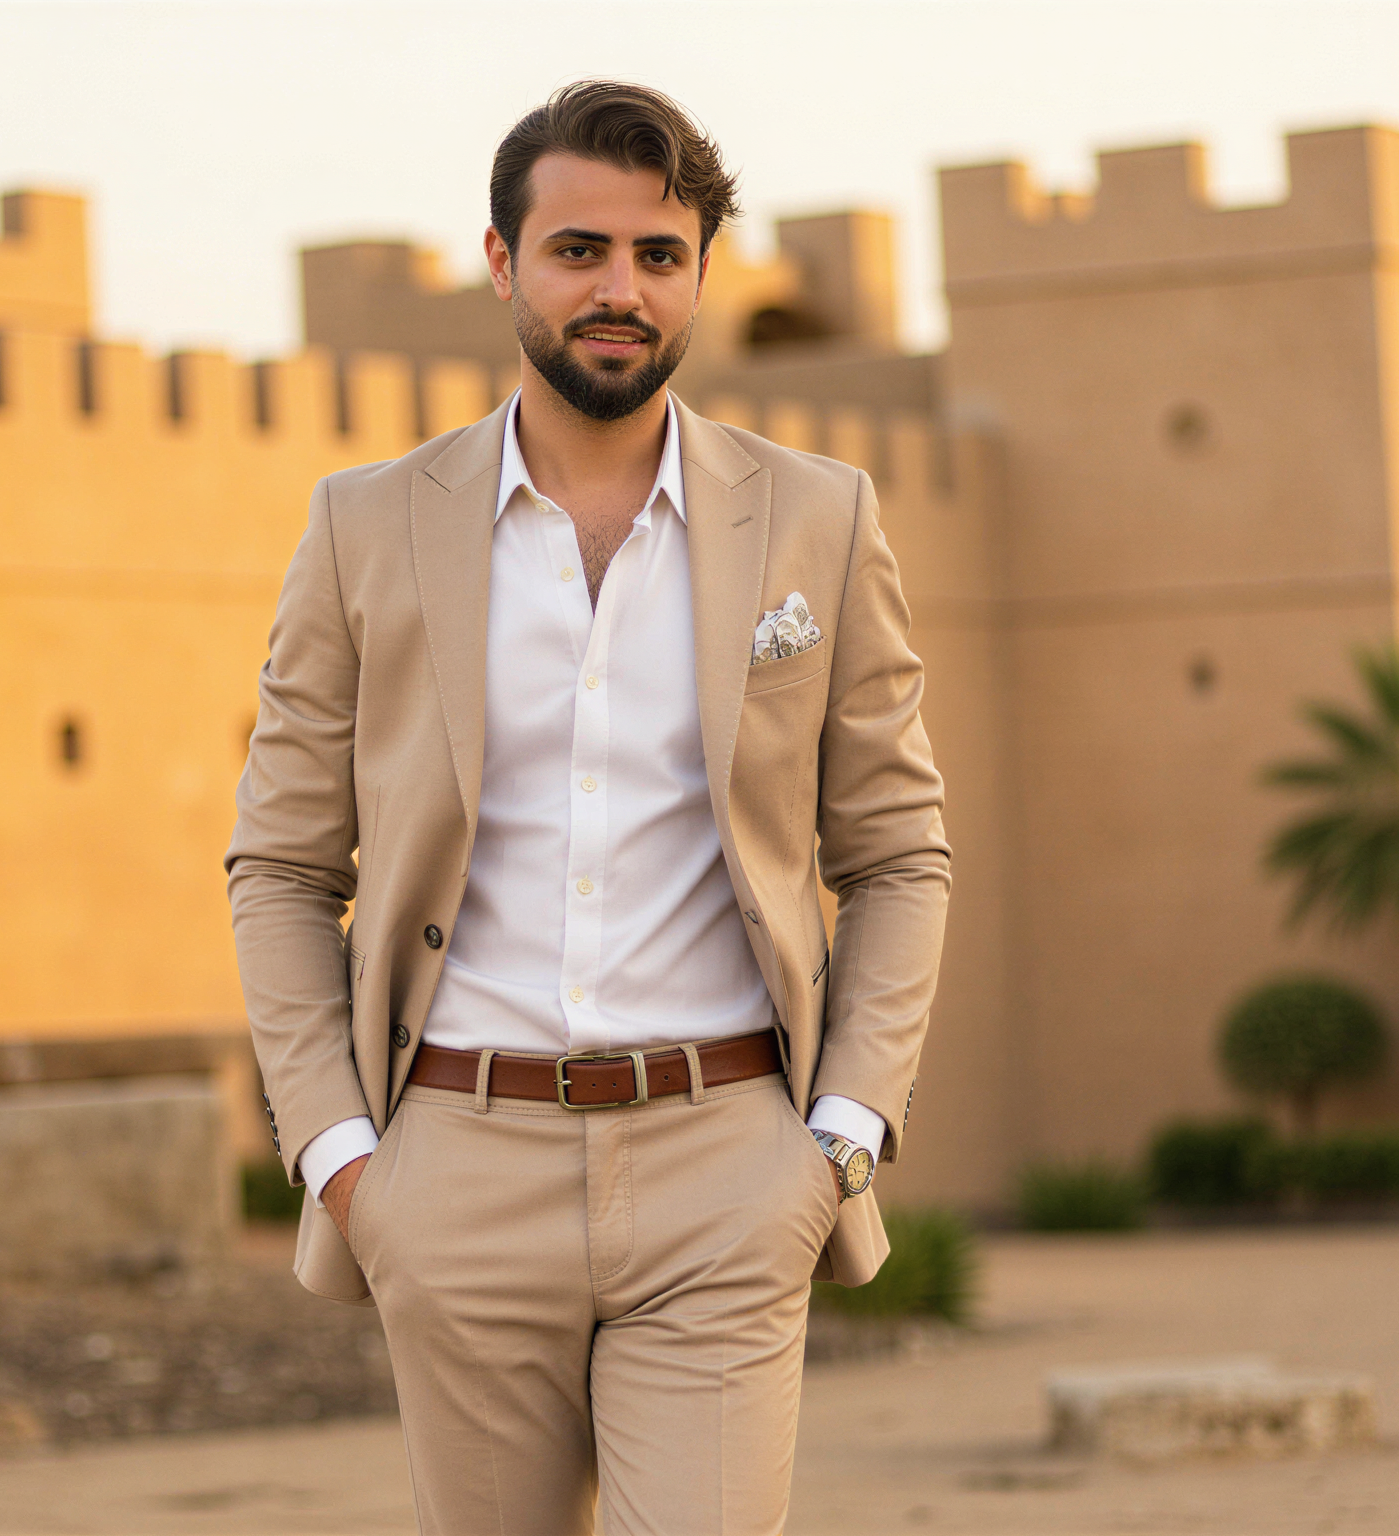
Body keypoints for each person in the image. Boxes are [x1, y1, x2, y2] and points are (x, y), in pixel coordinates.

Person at [226, 79, 951, 1536]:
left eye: (658, 255)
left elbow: (897, 851)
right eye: (579, 251)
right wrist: (346, 1164)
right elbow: (284, 866)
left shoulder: (819, 518)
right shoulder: (366, 525)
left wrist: (838, 1137)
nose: (621, 290)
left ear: (698, 275)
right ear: (504, 261)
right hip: (455, 1168)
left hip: (727, 1163)